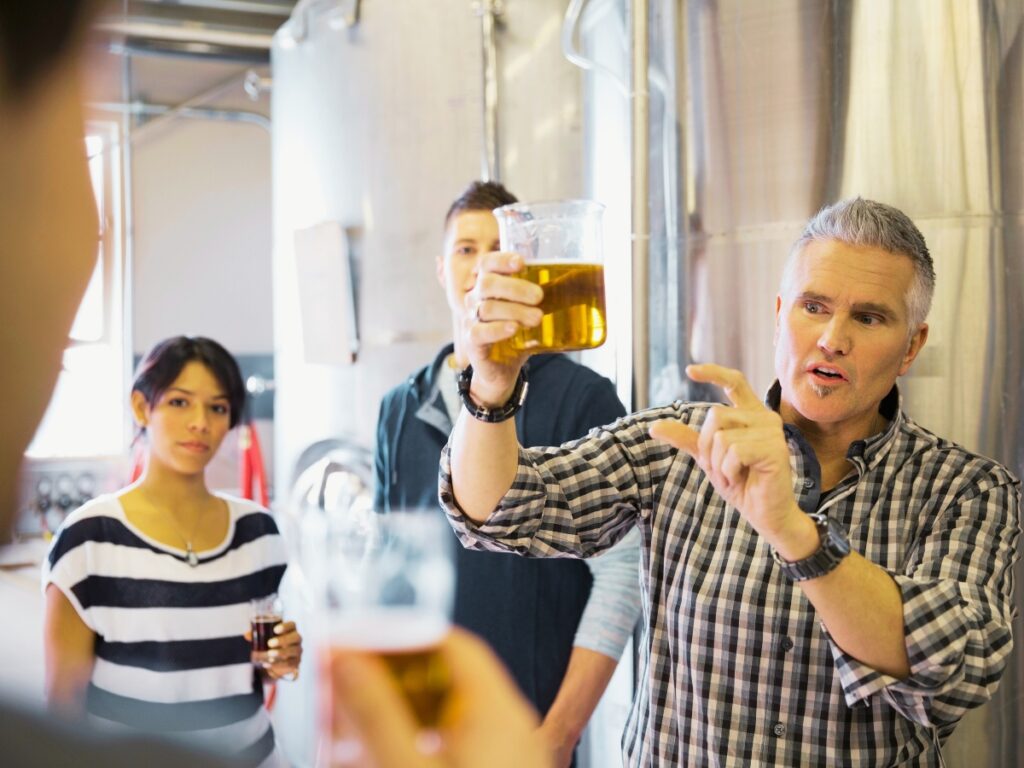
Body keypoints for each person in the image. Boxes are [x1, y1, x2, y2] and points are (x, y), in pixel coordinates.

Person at [439, 197, 1022, 766]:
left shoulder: (967, 491)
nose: (831, 338)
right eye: (813, 307)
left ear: (911, 347)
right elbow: (500, 511)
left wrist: (791, 528)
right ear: (778, 313)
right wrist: (490, 389)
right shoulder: (683, 443)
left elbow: (955, 670)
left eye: (868, 318)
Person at [375, 180, 642, 766]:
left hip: (526, 727)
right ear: (442, 269)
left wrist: (558, 735)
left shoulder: (583, 398)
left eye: (500, 248)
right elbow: (388, 572)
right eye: (467, 249)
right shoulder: (399, 406)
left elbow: (623, 577)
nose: (484, 265)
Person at [41, 336, 301, 766]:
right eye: (180, 402)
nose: (200, 422)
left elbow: (250, 668)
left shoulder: (260, 533)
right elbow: (62, 705)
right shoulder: (89, 538)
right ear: (143, 408)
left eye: (217, 408)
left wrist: (279, 660)